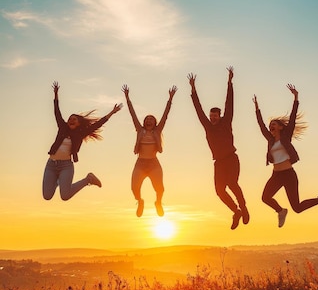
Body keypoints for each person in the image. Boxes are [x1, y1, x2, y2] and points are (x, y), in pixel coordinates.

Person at [253, 83, 318, 228]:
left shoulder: (286, 136)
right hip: (276, 175)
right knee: (265, 198)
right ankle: (281, 211)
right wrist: (257, 108)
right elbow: (260, 125)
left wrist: (296, 98)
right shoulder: (270, 140)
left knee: (297, 207)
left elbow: (292, 119)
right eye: (270, 125)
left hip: (289, 175)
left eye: (274, 124)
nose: (270, 126)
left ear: (280, 127)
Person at [188, 66, 249, 230]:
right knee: (219, 191)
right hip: (219, 163)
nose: (212, 117)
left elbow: (229, 104)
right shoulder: (208, 126)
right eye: (211, 116)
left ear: (219, 116)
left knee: (232, 184)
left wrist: (230, 82)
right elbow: (198, 110)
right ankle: (236, 211)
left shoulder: (226, 121)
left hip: (231, 158)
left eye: (215, 115)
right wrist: (193, 90)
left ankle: (243, 207)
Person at [43, 81, 122, 201]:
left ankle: (88, 179)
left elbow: (98, 124)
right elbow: (57, 112)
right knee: (47, 196)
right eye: (70, 118)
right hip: (51, 165)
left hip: (65, 166)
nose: (71, 120)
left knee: (65, 196)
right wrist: (56, 94)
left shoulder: (80, 133)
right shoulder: (62, 127)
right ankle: (58, 180)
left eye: (74, 119)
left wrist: (112, 112)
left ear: (79, 123)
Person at [122, 83, 177, 217]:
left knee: (160, 188)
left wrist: (170, 99)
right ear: (144, 122)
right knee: (134, 188)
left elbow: (165, 116)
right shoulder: (139, 130)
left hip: (153, 164)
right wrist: (127, 98)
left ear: (155, 122)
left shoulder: (157, 131)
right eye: (147, 119)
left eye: (152, 119)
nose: (149, 120)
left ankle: (158, 202)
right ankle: (140, 201)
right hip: (140, 163)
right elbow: (132, 114)